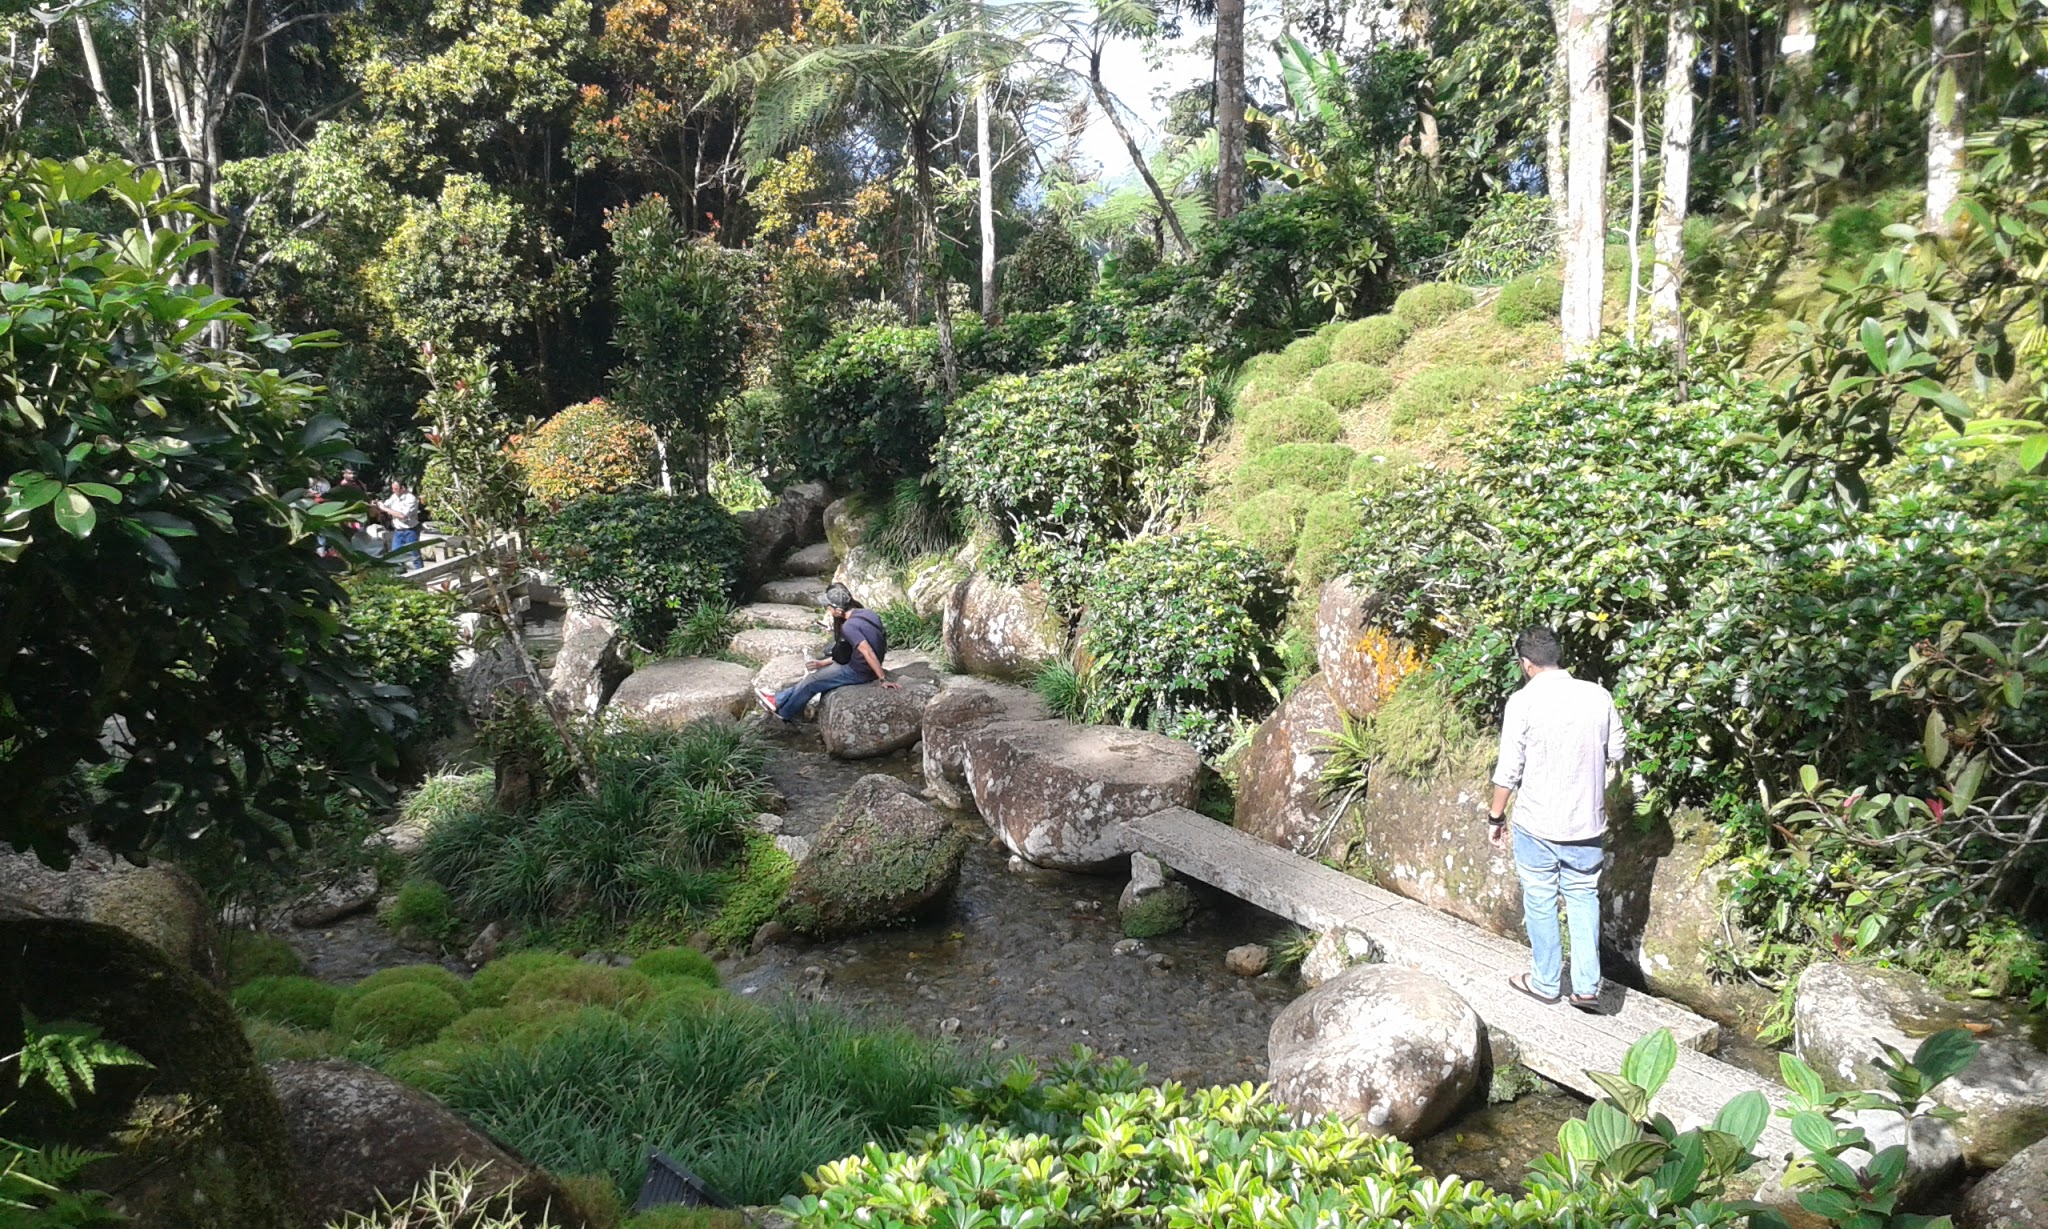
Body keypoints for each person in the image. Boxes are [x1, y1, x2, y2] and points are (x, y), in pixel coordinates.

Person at [1487, 627, 1626, 1012]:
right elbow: (1616, 750)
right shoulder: (1598, 695)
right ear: (1559, 657)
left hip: (1538, 824)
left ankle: (1546, 982)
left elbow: (1508, 769)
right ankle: (1585, 986)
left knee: (1541, 897)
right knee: (1583, 897)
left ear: (1526, 665)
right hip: (1587, 824)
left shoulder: (1523, 702)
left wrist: (1494, 816)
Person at [756, 584, 898, 723]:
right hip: (861, 665)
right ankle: (777, 699)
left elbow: (867, 651)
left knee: (812, 681)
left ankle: (784, 712)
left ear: (838, 610)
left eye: (829, 607)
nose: (828, 610)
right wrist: (823, 662)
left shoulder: (849, 626)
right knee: (815, 677)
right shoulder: (869, 613)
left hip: (859, 672)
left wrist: (883, 679)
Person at [374, 477, 424, 571]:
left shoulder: (411, 499)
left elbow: (403, 516)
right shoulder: (394, 497)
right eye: (393, 489)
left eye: (396, 489)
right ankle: (400, 575)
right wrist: (378, 504)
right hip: (398, 531)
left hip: (410, 530)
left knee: (414, 555)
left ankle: (422, 573)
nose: (394, 491)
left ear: (403, 488)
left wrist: (386, 509)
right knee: (395, 555)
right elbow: (386, 504)